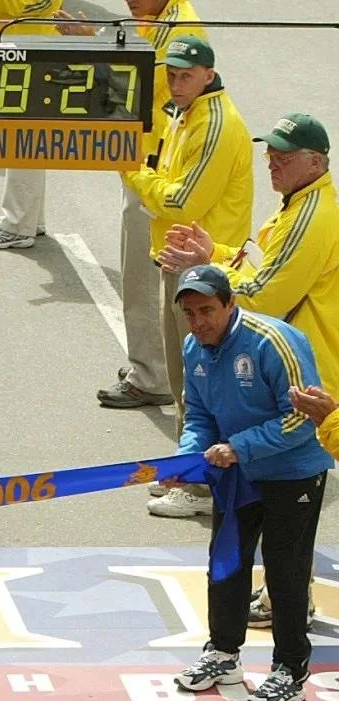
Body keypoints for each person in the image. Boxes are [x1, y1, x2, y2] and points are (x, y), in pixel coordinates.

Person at [158, 113, 339, 624]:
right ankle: (289, 594)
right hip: (299, 368)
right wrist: (215, 255)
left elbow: (265, 296)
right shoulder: (296, 205)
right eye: (271, 154)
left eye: (285, 156)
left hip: (305, 373)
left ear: (316, 162)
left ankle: (290, 600)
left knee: (290, 498)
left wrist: (209, 278)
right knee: (285, 505)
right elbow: (264, 268)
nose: (273, 163)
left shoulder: (311, 216)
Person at [167, 265, 330, 701]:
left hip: (293, 472)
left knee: (285, 570)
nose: (198, 322)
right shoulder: (193, 348)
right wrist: (187, 459)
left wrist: (239, 447)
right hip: (237, 473)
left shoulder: (273, 341)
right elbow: (199, 415)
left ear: (230, 304)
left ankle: (290, 669)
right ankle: (223, 652)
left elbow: (301, 418)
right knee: (227, 562)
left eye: (207, 310)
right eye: (190, 313)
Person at [109, 36, 253, 524]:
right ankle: (191, 470)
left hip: (202, 271)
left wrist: (132, 172)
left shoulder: (213, 125)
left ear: (208, 75)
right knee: (185, 380)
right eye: (171, 74)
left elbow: (180, 201)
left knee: (200, 384)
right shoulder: (185, 114)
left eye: (186, 75)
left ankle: (199, 484)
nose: (175, 82)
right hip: (180, 261)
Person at [60, 2, 207, 417]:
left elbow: (133, 84)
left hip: (156, 168)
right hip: (150, 158)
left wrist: (92, 45)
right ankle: (156, 368)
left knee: (143, 275)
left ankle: (152, 376)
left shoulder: (179, 29)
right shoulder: (155, 17)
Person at [0, 0, 64, 250]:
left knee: (22, 137)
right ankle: (29, 219)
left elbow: (25, 5)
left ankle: (17, 225)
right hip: (14, 46)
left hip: (29, 50)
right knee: (25, 138)